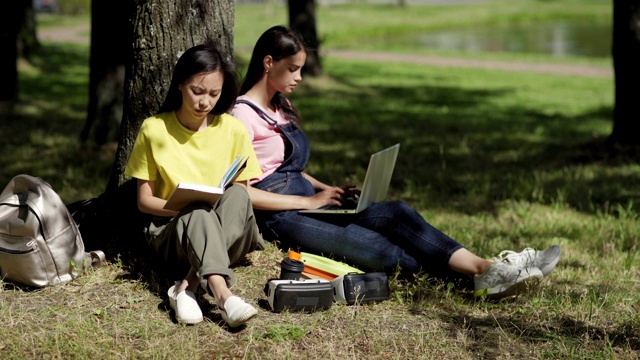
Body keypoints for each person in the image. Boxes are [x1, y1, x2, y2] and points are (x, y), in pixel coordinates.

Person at [231, 25, 562, 299]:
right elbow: (245, 192)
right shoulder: (241, 115)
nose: (300, 77)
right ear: (267, 62)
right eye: (293, 68)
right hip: (281, 216)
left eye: (301, 68)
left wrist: (325, 189)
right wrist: (308, 199)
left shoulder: (280, 104)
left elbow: (290, 167)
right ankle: (487, 274)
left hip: (307, 198)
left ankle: (489, 269)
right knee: (381, 250)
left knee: (397, 213)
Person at [125, 44, 265, 327]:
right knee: (198, 212)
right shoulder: (154, 128)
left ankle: (186, 287)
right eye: (197, 91)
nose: (205, 102)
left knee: (237, 193)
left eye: (214, 94)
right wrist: (184, 209)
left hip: (229, 232)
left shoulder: (233, 129)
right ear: (179, 84)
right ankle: (224, 296)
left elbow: (240, 197)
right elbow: (144, 201)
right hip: (174, 235)